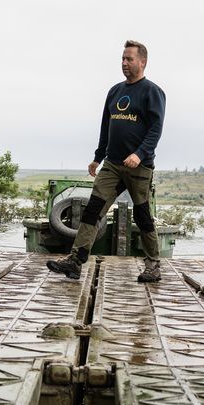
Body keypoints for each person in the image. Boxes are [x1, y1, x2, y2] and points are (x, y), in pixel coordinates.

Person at [47, 40, 167, 283]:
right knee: (93, 211)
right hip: (112, 164)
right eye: (122, 58)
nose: (124, 63)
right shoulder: (114, 91)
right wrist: (97, 157)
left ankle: (153, 265)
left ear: (142, 62)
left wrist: (139, 154)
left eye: (129, 59)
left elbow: (155, 129)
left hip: (139, 166)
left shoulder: (152, 92)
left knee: (142, 215)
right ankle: (76, 260)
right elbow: (106, 127)